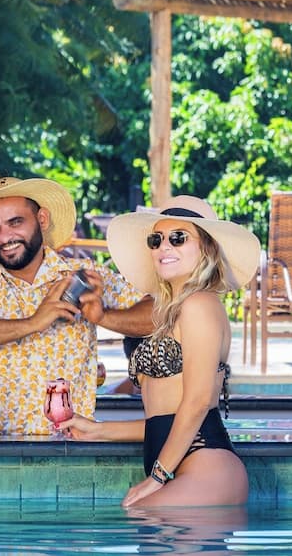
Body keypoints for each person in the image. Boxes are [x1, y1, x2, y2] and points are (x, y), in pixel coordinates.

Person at [59, 195, 261, 507]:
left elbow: (198, 403)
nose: (164, 247)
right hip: (181, 462)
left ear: (206, 248)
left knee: (141, 512)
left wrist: (157, 476)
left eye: (178, 238)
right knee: (140, 516)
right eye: (157, 240)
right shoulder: (170, 312)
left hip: (206, 464)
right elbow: (163, 419)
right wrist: (98, 431)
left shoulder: (200, 304)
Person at [0, 177, 154, 435]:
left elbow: (159, 314)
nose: (5, 237)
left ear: (42, 219)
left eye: (15, 222)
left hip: (70, 444)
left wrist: (104, 317)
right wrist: (34, 322)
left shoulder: (81, 275)